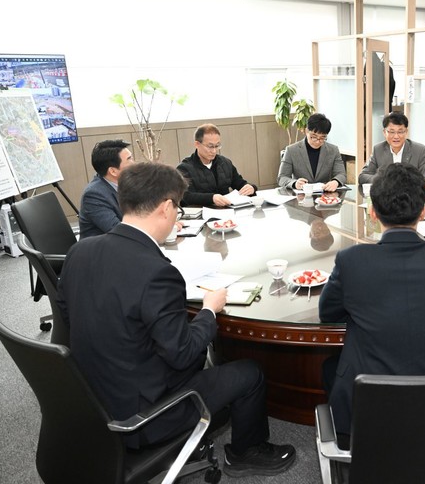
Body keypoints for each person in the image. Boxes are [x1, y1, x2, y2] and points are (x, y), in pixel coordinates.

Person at [56, 162, 295, 477]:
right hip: (143, 416)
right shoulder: (157, 273)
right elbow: (183, 355)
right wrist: (208, 310)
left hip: (91, 396)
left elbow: (66, 315)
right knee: (250, 372)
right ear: (167, 208)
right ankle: (246, 453)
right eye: (178, 207)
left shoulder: (79, 251)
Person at [319, 163, 425, 440]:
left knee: (331, 367)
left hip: (369, 396)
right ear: (423, 211)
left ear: (372, 213)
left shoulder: (351, 261)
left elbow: (327, 313)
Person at [177, 123, 257, 207]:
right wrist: (211, 198)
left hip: (227, 210)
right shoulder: (184, 168)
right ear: (197, 144)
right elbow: (185, 196)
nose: (214, 151)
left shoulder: (225, 163)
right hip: (202, 212)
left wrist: (251, 187)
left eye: (217, 146)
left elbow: (240, 184)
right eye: (210, 146)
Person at [358, 112, 425, 186]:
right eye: (392, 132)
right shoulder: (378, 149)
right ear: (384, 132)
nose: (396, 136)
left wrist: (401, 182)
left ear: (406, 132)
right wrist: (382, 180)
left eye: (400, 132)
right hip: (386, 194)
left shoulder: (420, 151)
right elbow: (363, 176)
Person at [78, 140, 134, 239]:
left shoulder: (128, 183)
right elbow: (119, 231)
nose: (134, 163)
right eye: (129, 159)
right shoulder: (94, 195)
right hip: (104, 246)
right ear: (113, 171)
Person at [277, 113, 347, 191]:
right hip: (301, 194)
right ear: (306, 131)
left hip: (325, 194)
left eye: (322, 138)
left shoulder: (333, 150)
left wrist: (336, 181)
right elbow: (282, 177)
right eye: (314, 137)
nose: (317, 141)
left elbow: (341, 174)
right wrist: (294, 183)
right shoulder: (291, 150)